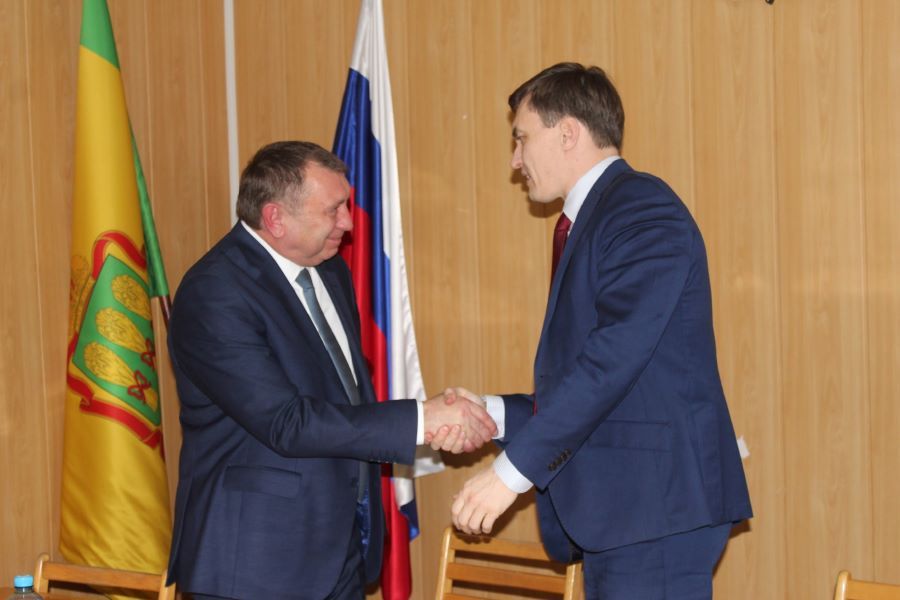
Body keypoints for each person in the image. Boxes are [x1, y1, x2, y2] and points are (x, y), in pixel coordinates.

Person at [447, 63, 752, 599]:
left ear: (567, 133)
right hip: (627, 516)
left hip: (654, 515)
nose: (515, 160)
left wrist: (510, 474)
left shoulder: (641, 210)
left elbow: (611, 362)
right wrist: (493, 413)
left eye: (521, 138)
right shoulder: (596, 218)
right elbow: (597, 383)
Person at [165, 141, 496, 600]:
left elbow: (344, 397)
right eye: (333, 209)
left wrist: (434, 419)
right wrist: (423, 419)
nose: (348, 222)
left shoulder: (329, 271)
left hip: (339, 550)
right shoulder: (215, 292)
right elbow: (287, 422)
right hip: (256, 564)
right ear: (275, 218)